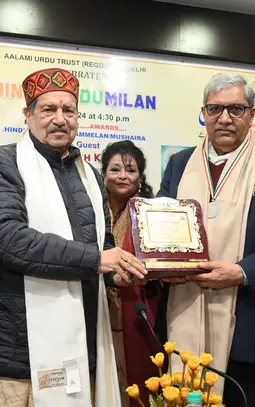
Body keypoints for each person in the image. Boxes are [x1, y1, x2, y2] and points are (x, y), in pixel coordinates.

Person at [0, 68, 147, 407]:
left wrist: (116, 273)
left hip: (81, 349)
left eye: (69, 110)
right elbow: (5, 238)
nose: (59, 119)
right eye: (48, 109)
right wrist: (97, 261)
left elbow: (103, 245)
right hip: (16, 358)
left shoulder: (91, 175)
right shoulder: (2, 164)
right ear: (28, 115)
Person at [157, 72, 255, 407]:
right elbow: (159, 228)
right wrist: (160, 265)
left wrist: (241, 272)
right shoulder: (179, 164)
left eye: (236, 109)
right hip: (183, 312)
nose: (224, 118)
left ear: (252, 115)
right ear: (204, 113)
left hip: (251, 323)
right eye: (215, 109)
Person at [101, 140, 161, 407]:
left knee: (138, 377)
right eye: (115, 169)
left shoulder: (150, 211)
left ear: (140, 178)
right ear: (103, 175)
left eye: (130, 170)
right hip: (96, 307)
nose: (122, 176)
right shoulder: (89, 209)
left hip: (137, 306)